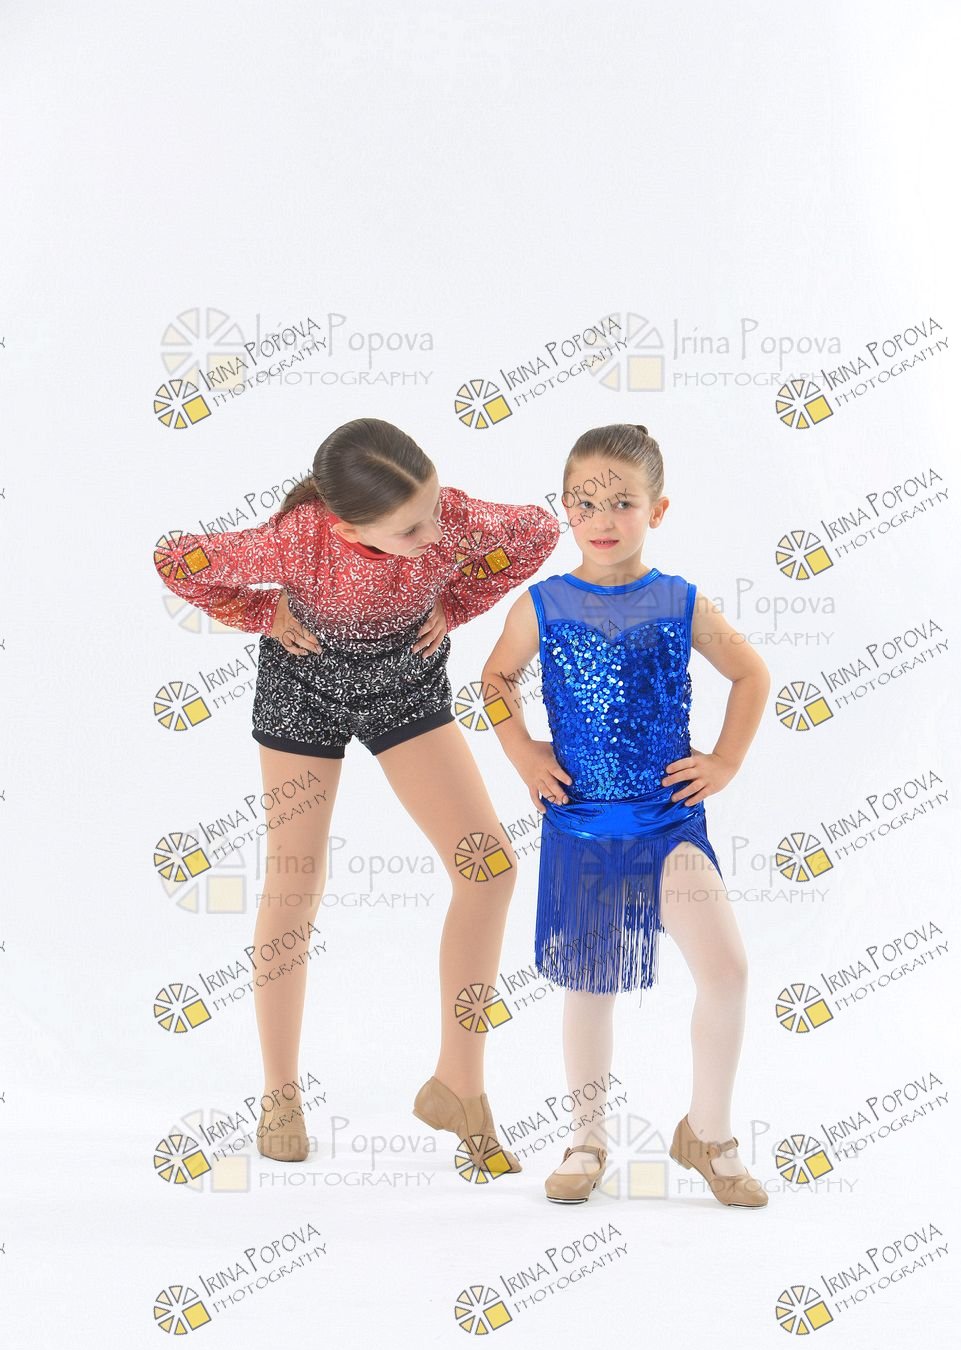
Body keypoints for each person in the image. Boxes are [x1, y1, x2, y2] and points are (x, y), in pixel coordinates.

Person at [153, 416, 560, 1169]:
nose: (436, 537)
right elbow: (178, 558)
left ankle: (458, 1084)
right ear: (345, 528)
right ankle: (280, 1091)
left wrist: (459, 600)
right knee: (295, 882)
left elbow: (536, 531)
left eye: (434, 512)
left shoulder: (447, 515)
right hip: (303, 689)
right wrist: (259, 612)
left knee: (489, 867)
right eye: (411, 530)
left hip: (403, 683)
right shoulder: (296, 540)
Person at [481, 423, 771, 1207]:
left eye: (622, 503)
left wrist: (725, 761)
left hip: (668, 820)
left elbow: (751, 674)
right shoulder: (542, 604)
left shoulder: (680, 601)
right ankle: (586, 1139)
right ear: (565, 508)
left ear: (658, 509)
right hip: (581, 823)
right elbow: (495, 681)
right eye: (584, 503)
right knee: (590, 984)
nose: (602, 519)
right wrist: (525, 755)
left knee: (727, 971)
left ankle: (708, 1134)